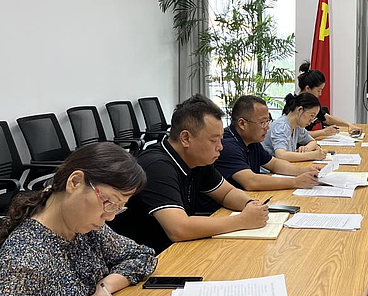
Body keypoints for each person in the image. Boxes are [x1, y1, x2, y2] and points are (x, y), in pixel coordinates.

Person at [0, 143, 157, 296]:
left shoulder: (84, 228)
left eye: (118, 208)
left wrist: (103, 288)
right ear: (75, 182)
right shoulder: (24, 258)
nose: (110, 217)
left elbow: (142, 256)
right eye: (109, 203)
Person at [111, 95, 270, 254]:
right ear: (186, 138)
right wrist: (242, 220)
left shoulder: (198, 160)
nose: (220, 147)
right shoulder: (156, 166)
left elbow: (227, 193)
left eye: (221, 139)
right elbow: (178, 229)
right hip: (146, 255)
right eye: (214, 140)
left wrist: (251, 205)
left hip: (177, 248)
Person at [214, 95, 322, 192]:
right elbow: (251, 181)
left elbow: (274, 164)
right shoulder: (226, 145)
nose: (267, 127)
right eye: (262, 122)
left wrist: (303, 170)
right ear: (242, 124)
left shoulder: (252, 141)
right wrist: (296, 182)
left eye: (268, 121)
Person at [296, 61, 361, 137]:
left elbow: (326, 118)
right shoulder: (296, 106)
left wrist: (348, 124)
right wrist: (323, 132)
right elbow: (298, 135)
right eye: (318, 90)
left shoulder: (312, 103)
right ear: (308, 88)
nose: (320, 94)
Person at [263, 92, 327, 163]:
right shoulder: (281, 126)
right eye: (312, 115)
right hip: (269, 169)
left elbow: (313, 142)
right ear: (300, 110)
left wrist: (307, 148)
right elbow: (281, 155)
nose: (312, 121)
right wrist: (312, 155)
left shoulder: (297, 126)